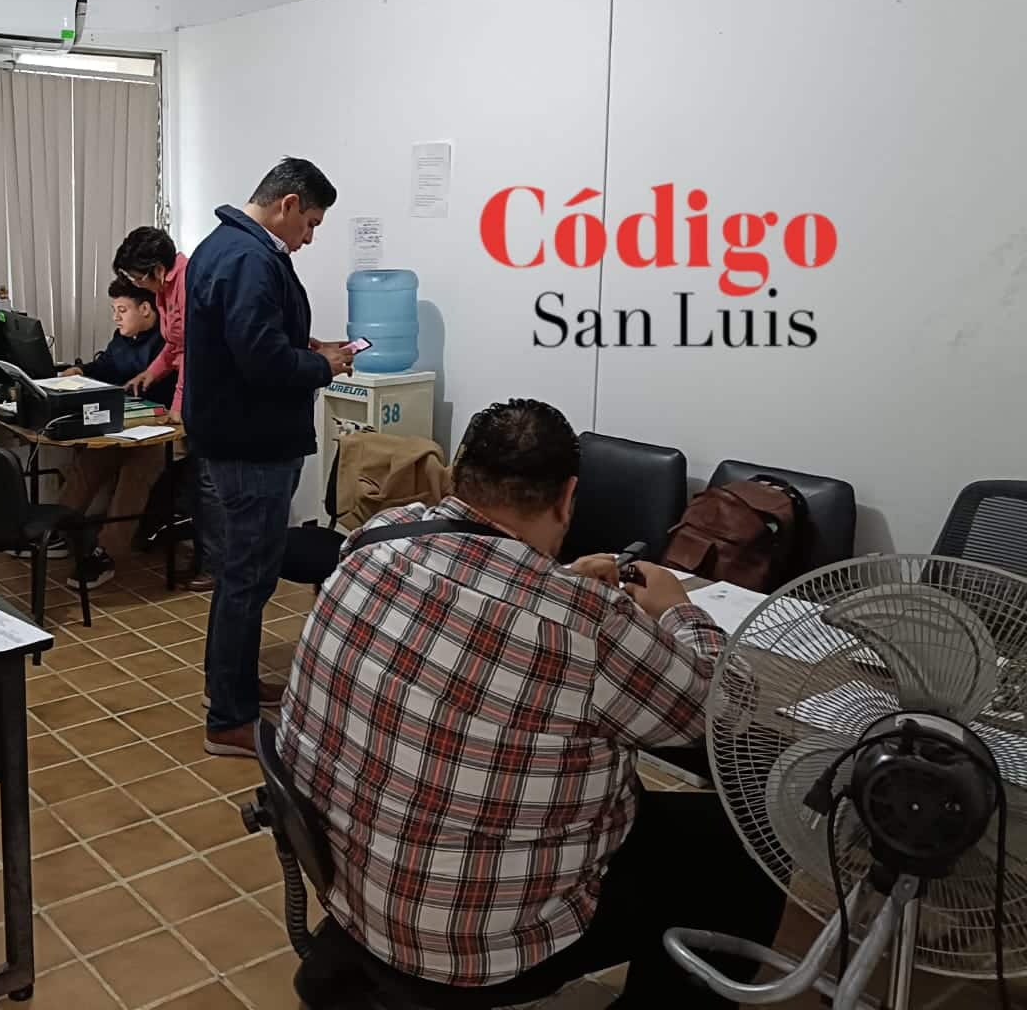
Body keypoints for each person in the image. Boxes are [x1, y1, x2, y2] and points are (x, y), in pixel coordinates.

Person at [276, 399, 787, 1009]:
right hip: (473, 944)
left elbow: (473, 602)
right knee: (749, 846)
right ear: (568, 497)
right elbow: (719, 709)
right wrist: (678, 608)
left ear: (459, 475)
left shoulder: (376, 540)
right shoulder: (589, 624)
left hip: (354, 884)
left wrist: (562, 580)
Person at [185, 157, 353, 757]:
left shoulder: (224, 246)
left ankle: (229, 687)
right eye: (310, 223)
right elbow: (261, 361)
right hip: (251, 443)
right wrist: (321, 365)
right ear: (287, 205)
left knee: (241, 575)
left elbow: (243, 338)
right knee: (248, 578)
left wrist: (303, 344)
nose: (308, 238)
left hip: (234, 436)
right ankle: (230, 719)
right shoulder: (251, 258)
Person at [113, 225, 214, 594]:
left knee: (207, 486)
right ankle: (205, 560)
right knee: (198, 484)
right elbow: (174, 345)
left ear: (157, 269)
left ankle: (213, 565)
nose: (136, 285)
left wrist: (178, 407)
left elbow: (194, 352)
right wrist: (151, 373)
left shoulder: (187, 283)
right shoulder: (163, 290)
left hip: (208, 396)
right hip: (194, 392)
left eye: (137, 277)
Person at [57, 278, 175, 589]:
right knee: (89, 461)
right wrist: (81, 371)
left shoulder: (168, 343)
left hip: (161, 432)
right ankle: (56, 529)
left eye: (122, 310)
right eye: (114, 310)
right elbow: (107, 366)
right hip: (123, 425)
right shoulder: (122, 339)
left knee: (135, 475)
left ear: (146, 309)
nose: (116, 317)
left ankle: (106, 553)